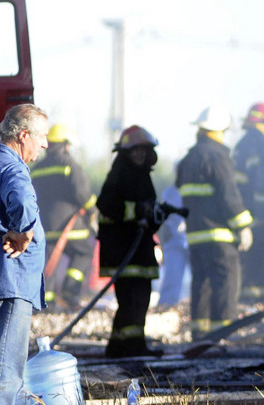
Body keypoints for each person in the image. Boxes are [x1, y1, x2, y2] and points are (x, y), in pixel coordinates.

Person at [176, 106, 252, 337]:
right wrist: (243, 225)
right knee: (226, 281)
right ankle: (224, 334)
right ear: (218, 131)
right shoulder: (218, 157)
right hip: (218, 233)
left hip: (195, 234)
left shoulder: (187, 160)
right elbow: (228, 195)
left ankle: (200, 334)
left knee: (201, 283)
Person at [97, 125, 165, 358]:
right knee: (133, 299)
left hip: (138, 249)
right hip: (124, 250)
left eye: (144, 151)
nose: (140, 155)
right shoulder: (120, 173)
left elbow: (147, 213)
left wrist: (156, 214)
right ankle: (134, 346)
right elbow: (106, 205)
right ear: (126, 152)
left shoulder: (142, 175)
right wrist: (138, 210)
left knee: (136, 298)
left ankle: (117, 346)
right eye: (135, 151)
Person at [0, 104, 47, 404]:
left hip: (8, 280)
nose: (45, 144)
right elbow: (22, 202)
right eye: (41, 136)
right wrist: (24, 232)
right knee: (7, 375)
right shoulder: (13, 167)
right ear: (23, 135)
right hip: (15, 281)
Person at [30, 123, 95, 309]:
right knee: (83, 252)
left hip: (45, 226)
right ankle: (70, 290)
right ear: (66, 144)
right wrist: (92, 211)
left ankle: (46, 302)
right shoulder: (70, 166)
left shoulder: (37, 169)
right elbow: (83, 195)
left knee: (50, 262)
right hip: (71, 227)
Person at [232, 103, 264, 302]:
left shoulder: (242, 145)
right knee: (261, 260)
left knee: (248, 262)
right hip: (261, 214)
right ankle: (259, 303)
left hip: (245, 213)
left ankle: (248, 302)